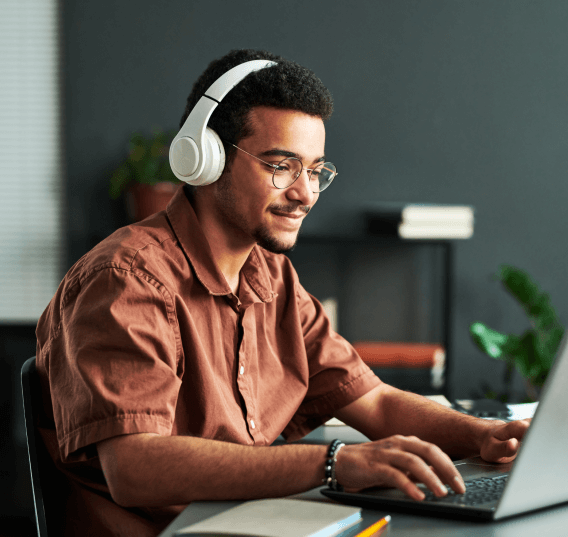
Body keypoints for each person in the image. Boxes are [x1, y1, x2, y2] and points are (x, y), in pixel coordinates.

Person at [35, 49, 530, 537]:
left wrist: (486, 437)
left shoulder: (273, 277)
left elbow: (373, 403)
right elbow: (134, 465)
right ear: (205, 159)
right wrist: (335, 462)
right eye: (281, 166)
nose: (305, 193)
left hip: (253, 523)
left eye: (315, 170)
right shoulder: (126, 278)